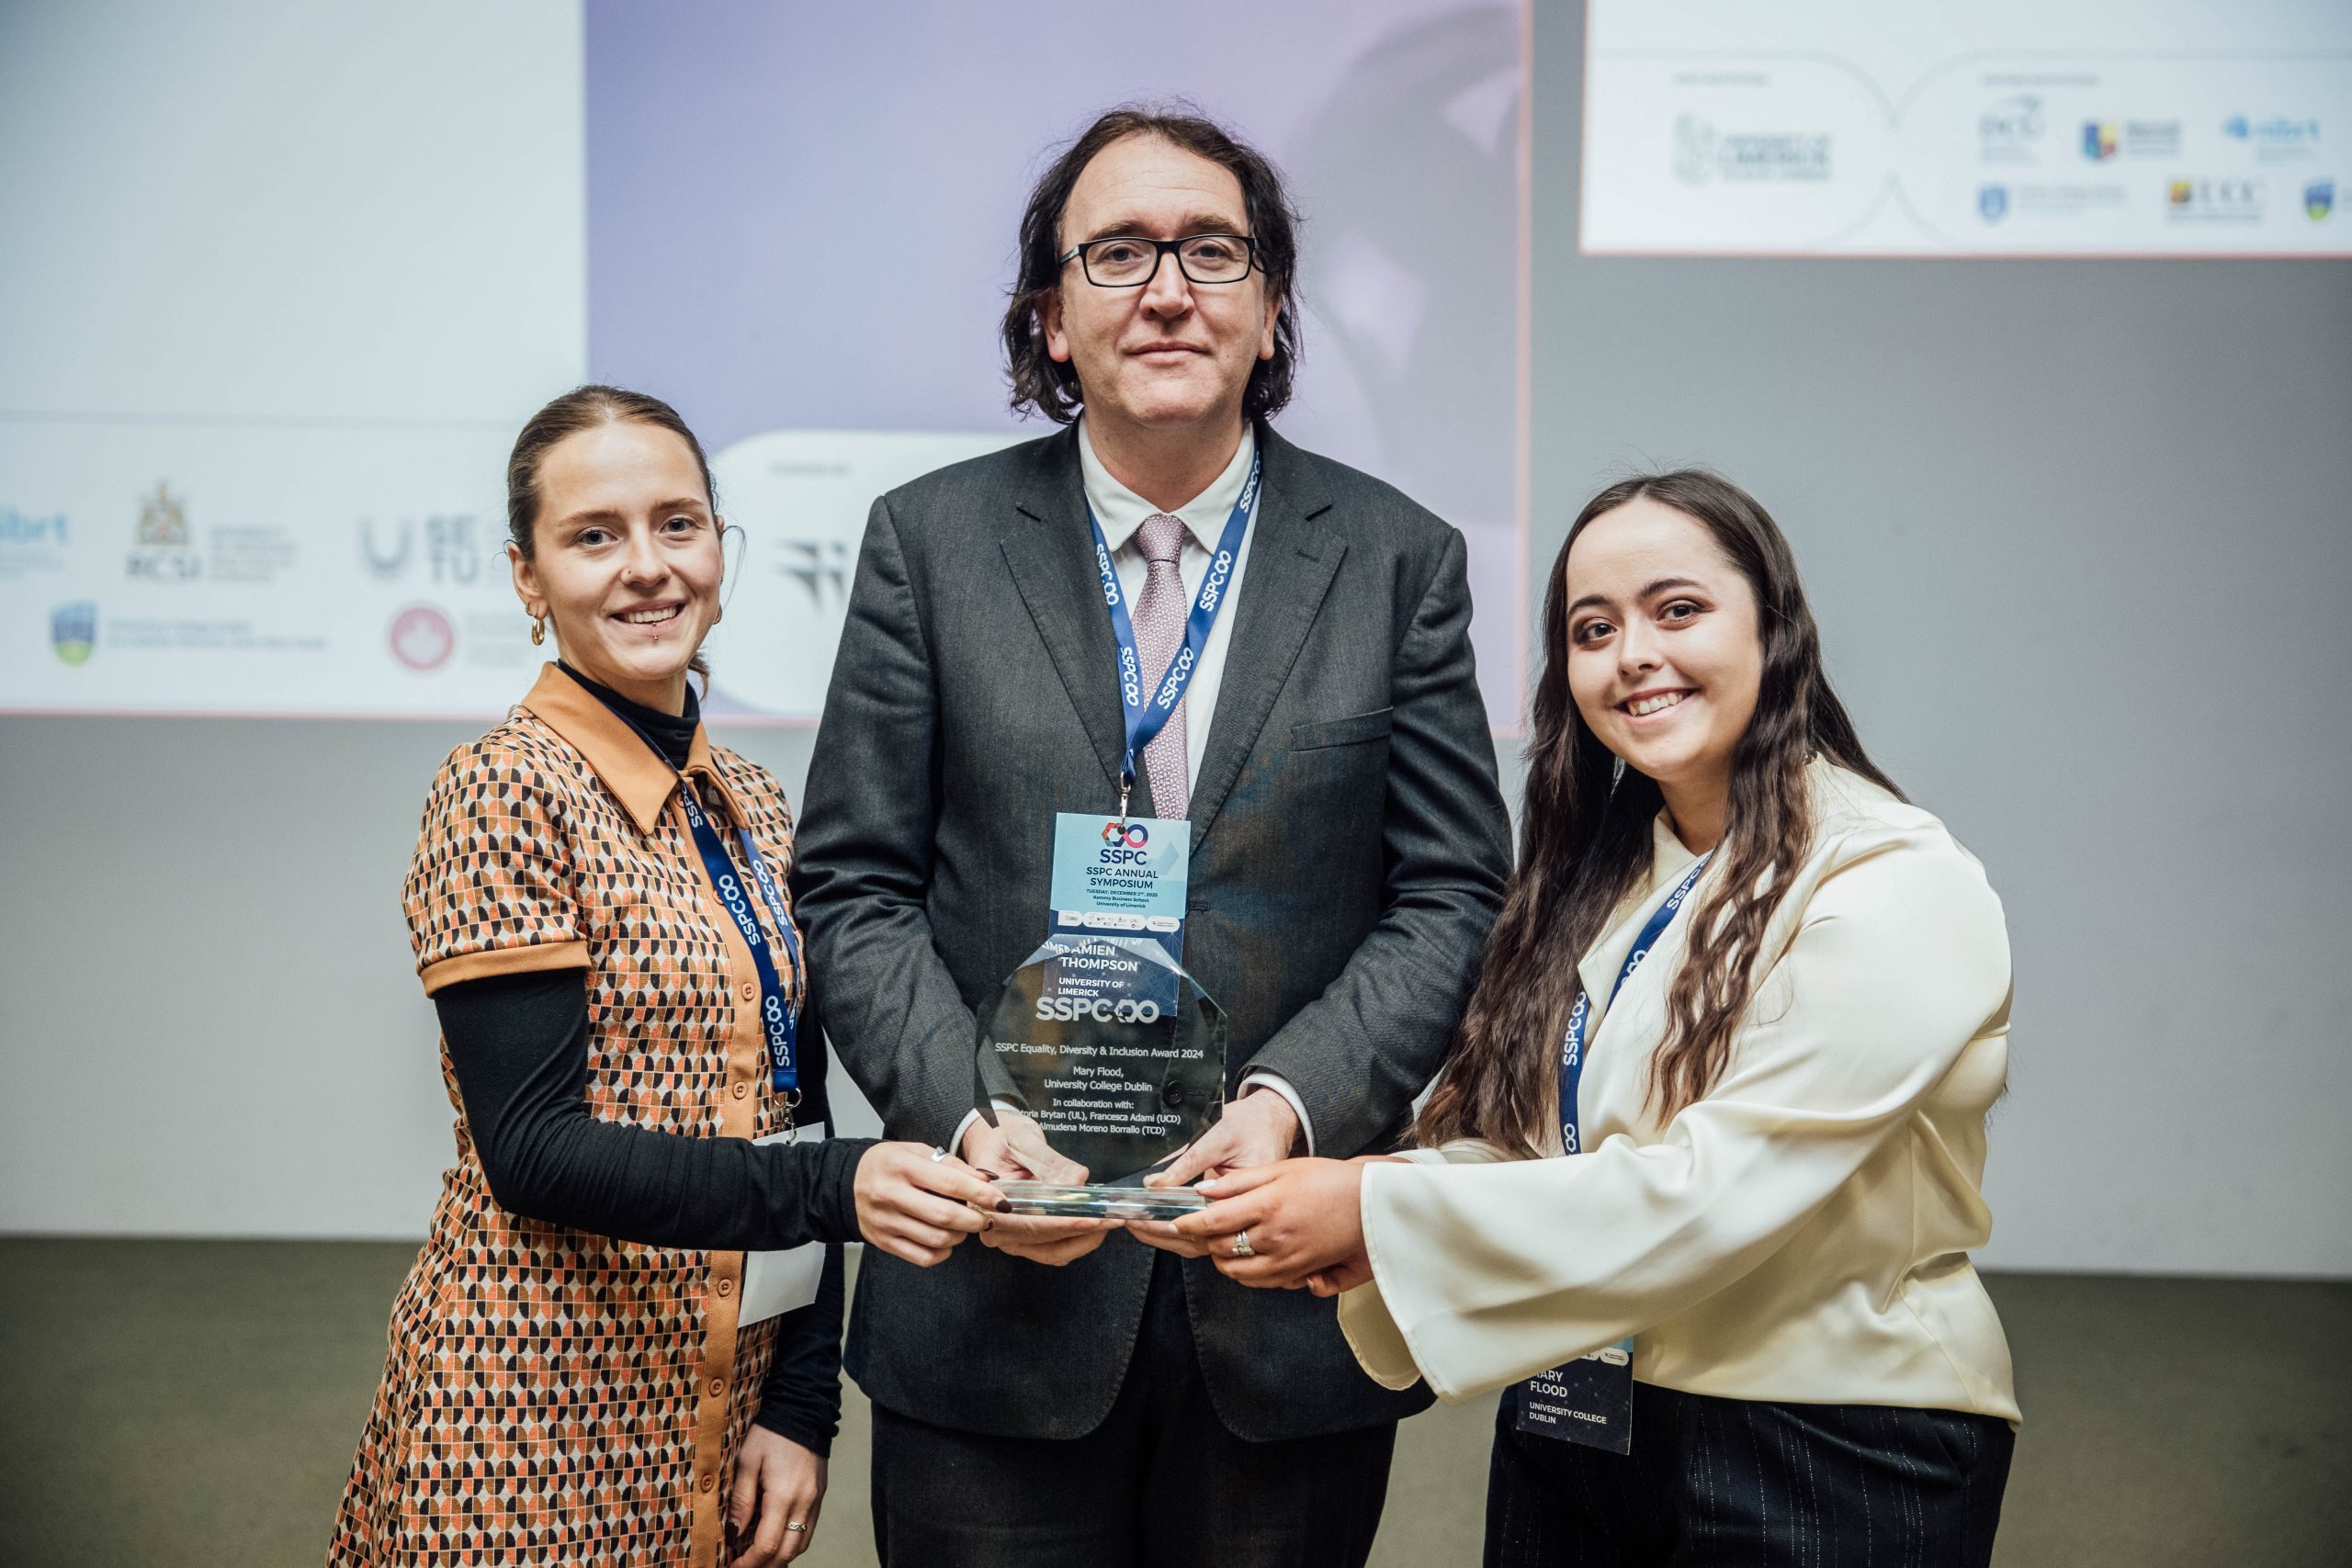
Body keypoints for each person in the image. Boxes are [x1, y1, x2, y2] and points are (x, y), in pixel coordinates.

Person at [789, 107, 1513, 1566]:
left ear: (1272, 310)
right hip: (995, 1291)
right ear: (1050, 319)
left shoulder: (1397, 563)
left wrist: (1295, 1103)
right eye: (1117, 252)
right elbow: (853, 884)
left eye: (1213, 250)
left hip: (1278, 1287)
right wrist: (967, 1118)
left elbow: (1447, 891)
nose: (1168, 287)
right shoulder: (928, 546)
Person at [1176, 470, 2020, 1566]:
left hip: (1825, 1439)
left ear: (1774, 629)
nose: (1631, 656)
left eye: (1678, 611)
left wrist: (1375, 1210)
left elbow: (1710, 1192)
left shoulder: (1895, 880)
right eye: (1591, 628)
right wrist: (1341, 1207)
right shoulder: (1604, 877)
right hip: (1579, 1417)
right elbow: (1547, 1153)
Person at [327, 386, 1001, 1568]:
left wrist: (798, 1404)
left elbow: (793, 1107)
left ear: (721, 551)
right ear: (527, 577)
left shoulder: (748, 799)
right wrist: (846, 1190)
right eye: (595, 536)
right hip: (524, 1411)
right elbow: (533, 1149)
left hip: (714, 1404)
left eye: (678, 525)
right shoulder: (501, 790)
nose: (647, 567)